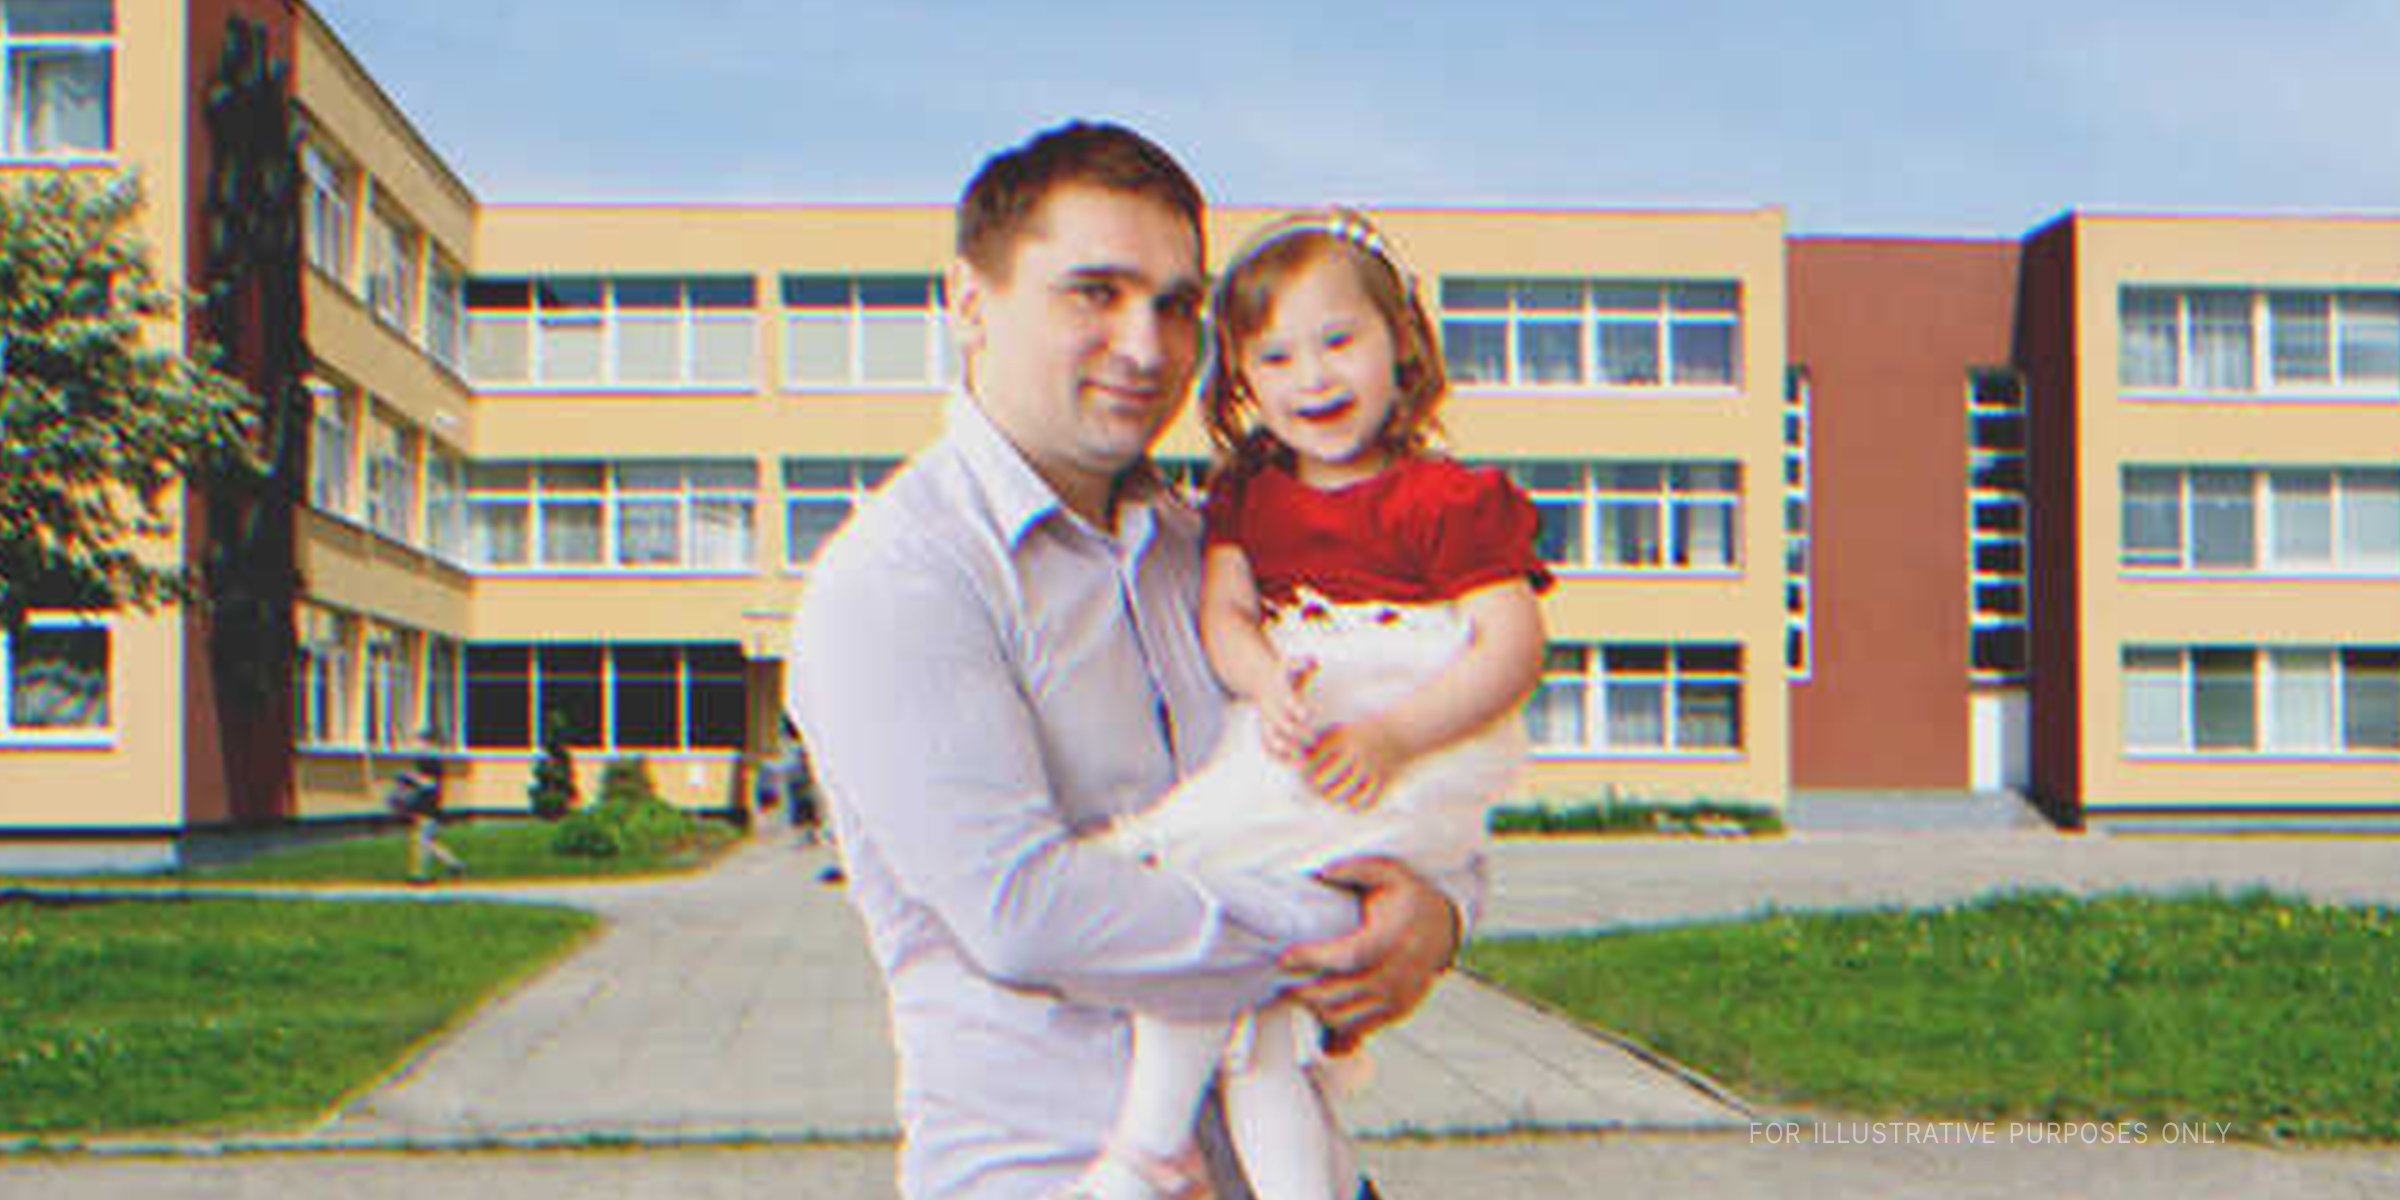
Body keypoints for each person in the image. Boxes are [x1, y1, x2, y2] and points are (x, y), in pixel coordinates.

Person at [787, 122, 1476, 1200]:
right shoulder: (900, 581)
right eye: (1094, 293)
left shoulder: (1222, 553)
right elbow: (1025, 911)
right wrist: (1340, 930)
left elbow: (1392, 775)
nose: (1148, 348)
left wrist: (1439, 919)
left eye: (1174, 305)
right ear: (969, 300)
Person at [1066, 210, 1549, 1200]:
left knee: (1204, 886)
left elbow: (1510, 649)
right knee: (1265, 1013)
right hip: (1303, 728)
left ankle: (1148, 1144)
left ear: (1401, 343)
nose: (1314, 379)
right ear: (1242, 379)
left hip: (1403, 742)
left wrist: (1393, 734)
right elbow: (1227, 613)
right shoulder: (1252, 494)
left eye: (1339, 342)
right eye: (1276, 357)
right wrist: (1262, 683)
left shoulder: (1447, 499)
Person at [387, 755, 463, 883]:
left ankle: (419, 875)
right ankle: (453, 863)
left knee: (419, 845)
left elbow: (409, 779)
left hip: (424, 817)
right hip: (429, 817)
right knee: (429, 844)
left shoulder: (429, 782)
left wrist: (401, 782)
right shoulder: (434, 784)